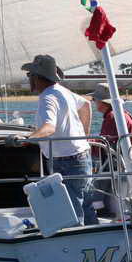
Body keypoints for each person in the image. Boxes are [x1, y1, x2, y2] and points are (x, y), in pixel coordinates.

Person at [11, 54, 94, 225]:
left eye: (29, 75)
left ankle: (76, 238)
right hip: (82, 156)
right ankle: (96, 236)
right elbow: (86, 105)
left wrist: (25, 138)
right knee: (85, 206)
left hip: (66, 162)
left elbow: (49, 127)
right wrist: (84, 137)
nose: (29, 79)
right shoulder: (62, 91)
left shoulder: (47, 97)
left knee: (72, 211)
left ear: (37, 77)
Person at [89, 83, 132, 219]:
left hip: (131, 163)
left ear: (102, 102)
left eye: (94, 99)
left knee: (98, 169)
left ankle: (98, 207)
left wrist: (86, 145)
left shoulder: (112, 116)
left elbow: (105, 144)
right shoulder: (121, 114)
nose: (93, 102)